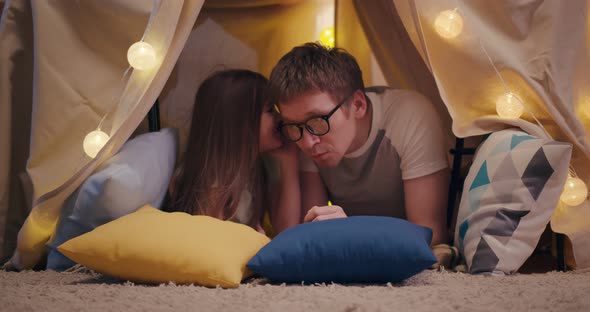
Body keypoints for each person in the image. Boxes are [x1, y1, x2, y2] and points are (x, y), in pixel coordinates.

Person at [268, 43, 450, 245]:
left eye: (318, 120)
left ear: (358, 105)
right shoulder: (302, 133)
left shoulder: (409, 116)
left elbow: (429, 235)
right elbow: (310, 234)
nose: (307, 142)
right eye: (293, 125)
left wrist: (353, 233)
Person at [166, 69, 300, 234]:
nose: (281, 118)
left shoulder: (261, 168)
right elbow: (212, 247)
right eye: (270, 111)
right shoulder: (209, 183)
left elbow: (287, 230)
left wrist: (289, 163)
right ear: (241, 125)